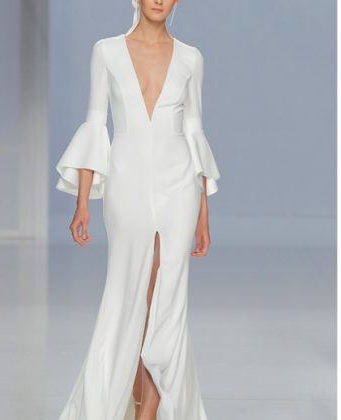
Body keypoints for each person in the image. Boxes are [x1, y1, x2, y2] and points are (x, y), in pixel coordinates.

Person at [54, 0, 220, 418]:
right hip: (125, 181)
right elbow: (96, 123)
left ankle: (149, 407)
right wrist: (82, 202)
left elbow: (195, 132)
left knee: (166, 293)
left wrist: (203, 212)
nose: (158, 0)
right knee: (131, 290)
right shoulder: (106, 51)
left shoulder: (191, 58)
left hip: (179, 183)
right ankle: (132, 394)